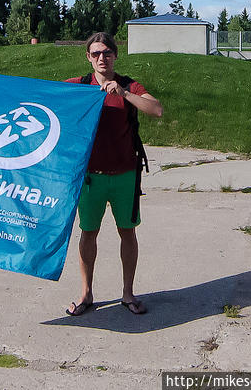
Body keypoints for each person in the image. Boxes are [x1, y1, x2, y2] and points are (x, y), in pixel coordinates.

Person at [65, 32, 163, 316]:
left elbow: (156, 109)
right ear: (88, 57)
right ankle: (86, 294)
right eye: (95, 54)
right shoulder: (79, 86)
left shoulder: (129, 85)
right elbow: (45, 100)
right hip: (90, 177)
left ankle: (128, 293)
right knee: (88, 233)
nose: (101, 58)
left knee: (127, 232)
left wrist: (124, 94)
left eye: (106, 53)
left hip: (125, 175)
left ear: (115, 55)